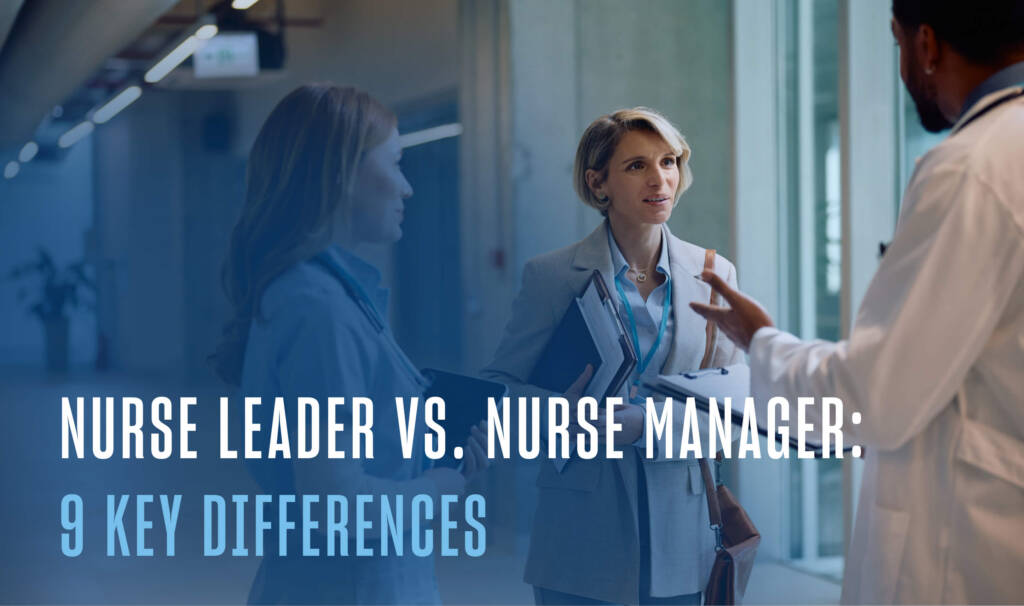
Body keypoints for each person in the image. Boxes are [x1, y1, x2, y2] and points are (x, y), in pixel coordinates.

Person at [690, 1, 1024, 603]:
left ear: (926, 44)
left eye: (895, 44)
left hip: (968, 552)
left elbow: (874, 396)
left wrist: (763, 341)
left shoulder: (972, 167)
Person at [211, 83, 488, 605]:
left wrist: (435, 453)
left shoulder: (329, 293)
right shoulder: (319, 309)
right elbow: (336, 503)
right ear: (340, 174)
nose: (406, 188)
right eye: (395, 164)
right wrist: (442, 488)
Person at [483, 108, 743, 605]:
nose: (659, 178)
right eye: (636, 166)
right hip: (580, 537)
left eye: (668, 161)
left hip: (683, 536)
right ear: (597, 183)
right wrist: (562, 415)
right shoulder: (553, 276)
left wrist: (647, 424)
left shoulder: (715, 274)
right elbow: (499, 391)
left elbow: (735, 407)